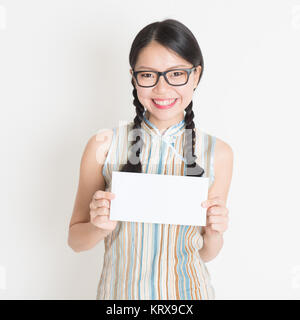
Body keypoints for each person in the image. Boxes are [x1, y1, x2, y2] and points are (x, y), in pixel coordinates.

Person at [68, 19, 233, 300]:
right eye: (148, 75)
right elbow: (75, 241)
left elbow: (206, 253)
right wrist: (97, 226)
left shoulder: (218, 152)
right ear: (134, 77)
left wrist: (215, 233)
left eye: (177, 74)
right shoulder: (103, 145)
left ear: (195, 75)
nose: (162, 88)